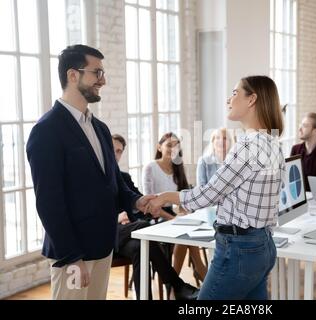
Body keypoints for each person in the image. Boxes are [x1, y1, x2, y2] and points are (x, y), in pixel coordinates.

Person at [26, 45, 155, 300]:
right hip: (73, 255)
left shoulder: (101, 129)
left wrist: (136, 201)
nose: (103, 80)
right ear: (73, 75)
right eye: (97, 73)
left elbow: (114, 183)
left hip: (103, 247)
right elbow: (49, 203)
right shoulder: (46, 131)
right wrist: (71, 256)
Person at [147, 75, 285, 300]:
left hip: (239, 249)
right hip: (263, 245)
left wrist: (165, 197)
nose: (228, 99)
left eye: (234, 93)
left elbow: (208, 194)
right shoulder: (272, 142)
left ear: (252, 100)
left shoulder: (247, 146)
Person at [112, 134, 199, 300]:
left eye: (119, 151)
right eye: (112, 150)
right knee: (145, 229)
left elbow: (138, 202)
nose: (115, 154)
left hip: (126, 233)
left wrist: (142, 208)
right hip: (106, 233)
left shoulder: (124, 178)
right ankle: (177, 285)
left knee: (140, 247)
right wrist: (117, 217)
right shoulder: (96, 178)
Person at [142, 133, 208, 282]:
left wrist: (183, 214)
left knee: (186, 232)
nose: (173, 148)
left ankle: (175, 283)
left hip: (175, 215)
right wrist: (173, 218)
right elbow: (150, 204)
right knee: (184, 233)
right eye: (169, 145)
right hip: (156, 215)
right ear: (159, 147)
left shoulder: (178, 167)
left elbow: (183, 197)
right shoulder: (150, 167)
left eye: (176, 145)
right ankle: (199, 270)